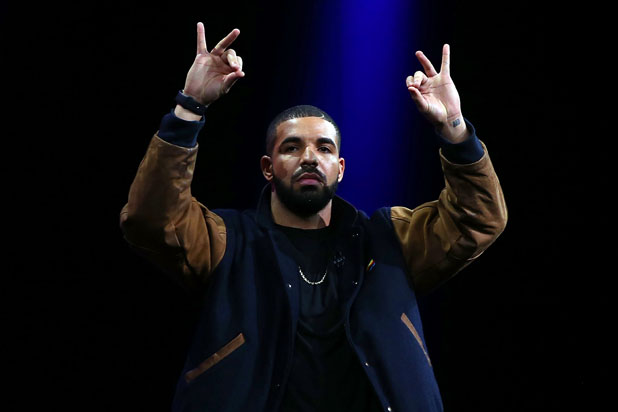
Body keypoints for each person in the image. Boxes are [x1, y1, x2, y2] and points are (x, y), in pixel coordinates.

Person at [120, 22, 507, 412]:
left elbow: (477, 220)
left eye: (324, 148)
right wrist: (189, 107)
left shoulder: (388, 239)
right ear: (268, 168)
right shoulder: (227, 239)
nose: (309, 157)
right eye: (292, 147)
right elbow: (151, 219)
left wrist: (454, 129)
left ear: (340, 168)